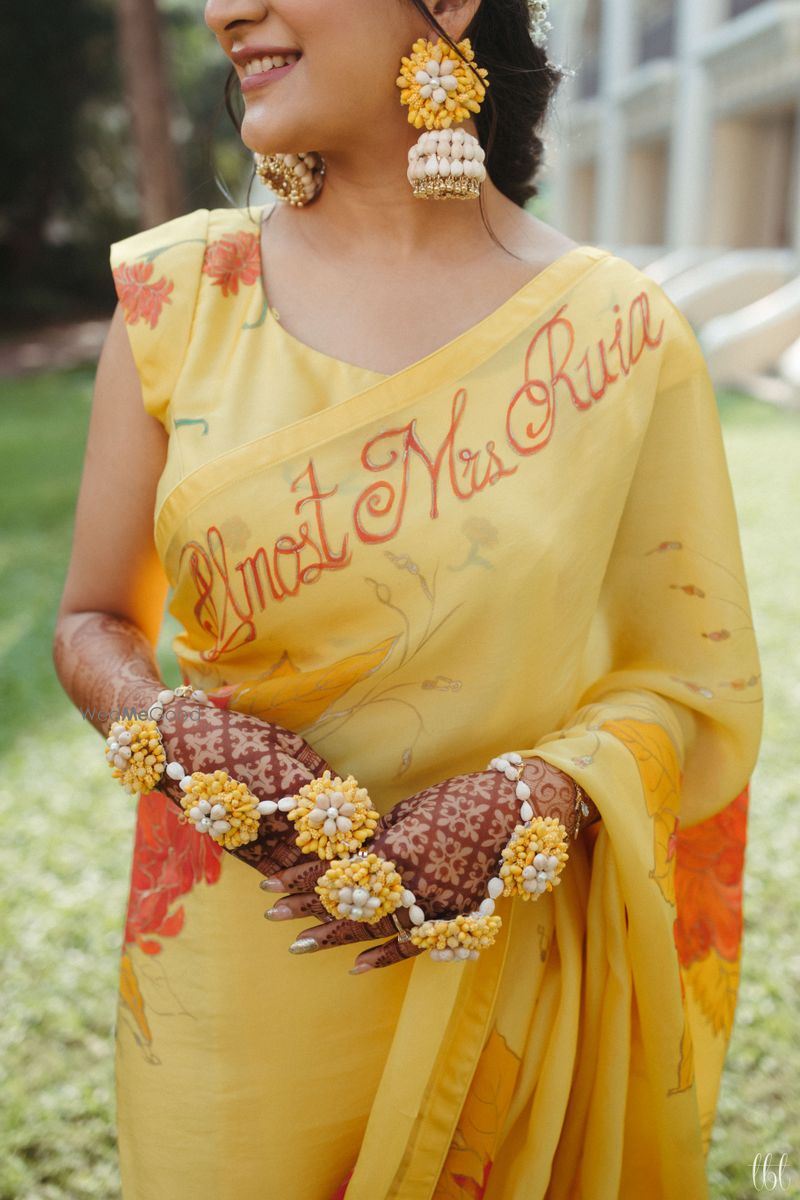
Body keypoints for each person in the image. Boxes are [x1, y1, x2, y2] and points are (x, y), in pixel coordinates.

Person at [52, 0, 764, 1197]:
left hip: (504, 976)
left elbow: (690, 688)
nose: (226, 10)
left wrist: (532, 799)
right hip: (238, 989)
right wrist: (168, 723)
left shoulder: (616, 334)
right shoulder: (177, 299)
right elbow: (90, 620)